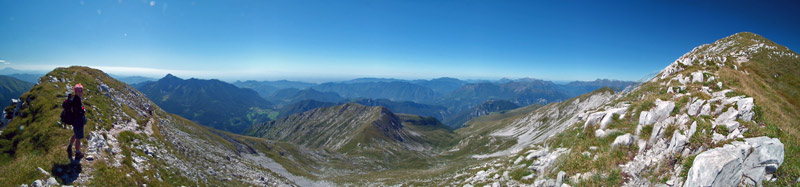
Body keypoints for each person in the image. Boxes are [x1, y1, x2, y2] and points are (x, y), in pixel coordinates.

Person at [64, 83, 87, 160]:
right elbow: (79, 113)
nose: (81, 92)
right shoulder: (76, 101)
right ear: (75, 91)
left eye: (82, 90)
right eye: (79, 91)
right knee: (78, 138)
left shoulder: (74, 98)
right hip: (78, 122)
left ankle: (70, 146)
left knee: (75, 134)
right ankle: (77, 153)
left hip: (74, 121)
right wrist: (83, 110)